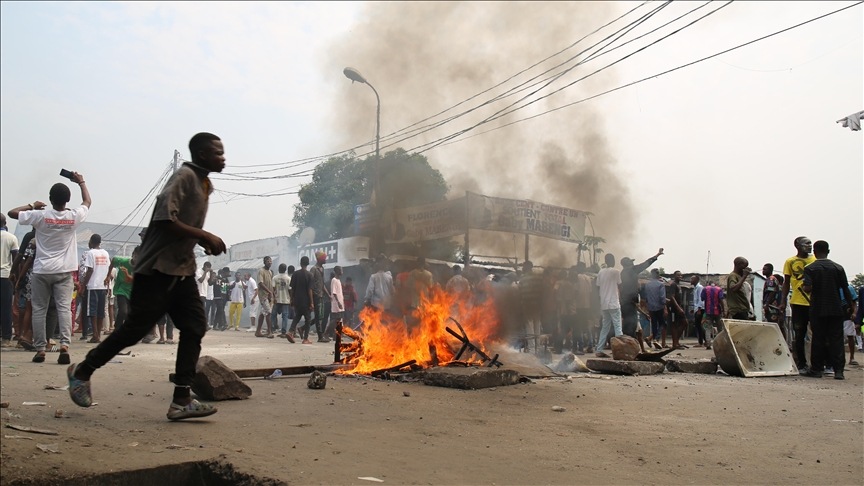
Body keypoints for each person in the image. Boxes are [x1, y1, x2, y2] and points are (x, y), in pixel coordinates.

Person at [66, 132, 227, 420]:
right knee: (134, 330)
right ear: (202, 155)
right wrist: (203, 235)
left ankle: (181, 399)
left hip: (182, 270)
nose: (223, 158)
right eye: (218, 153)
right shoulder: (184, 177)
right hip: (156, 270)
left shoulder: (204, 183)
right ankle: (82, 371)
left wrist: (198, 240)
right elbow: (165, 219)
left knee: (194, 327)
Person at [8, 171, 91, 364]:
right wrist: (81, 182)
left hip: (42, 270)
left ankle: (40, 349)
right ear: (67, 200)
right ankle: (64, 346)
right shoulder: (73, 216)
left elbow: (12, 213)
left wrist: (32, 206)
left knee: (39, 309)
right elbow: (87, 202)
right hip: (64, 272)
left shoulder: (40, 216)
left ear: (50, 199)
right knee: (64, 309)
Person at [800, 240, 855, 380]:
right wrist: (851, 306)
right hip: (836, 308)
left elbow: (807, 288)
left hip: (817, 308)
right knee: (836, 339)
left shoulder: (810, 268)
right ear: (828, 251)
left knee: (818, 338)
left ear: (814, 252)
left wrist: (804, 286)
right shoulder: (838, 268)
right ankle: (839, 371)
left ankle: (816, 370)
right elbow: (845, 288)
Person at [780, 236, 816, 371]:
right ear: (797, 245)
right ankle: (801, 363)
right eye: (806, 243)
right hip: (798, 302)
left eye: (810, 243)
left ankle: (817, 363)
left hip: (814, 302)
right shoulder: (790, 261)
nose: (809, 246)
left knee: (817, 333)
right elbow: (786, 282)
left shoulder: (815, 260)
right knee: (799, 334)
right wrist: (783, 301)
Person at [619, 248, 663, 338]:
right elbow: (645, 264)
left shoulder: (623, 273)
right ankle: (629, 342)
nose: (633, 263)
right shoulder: (631, 270)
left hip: (625, 302)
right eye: (631, 262)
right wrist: (657, 255)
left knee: (627, 324)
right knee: (631, 325)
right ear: (627, 264)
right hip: (630, 302)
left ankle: (627, 341)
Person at [80, 234, 110, 343]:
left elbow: (90, 270)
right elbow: (108, 269)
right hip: (102, 286)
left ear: (91, 241)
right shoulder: (105, 253)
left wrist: (83, 286)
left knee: (92, 311)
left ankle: (95, 335)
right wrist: (107, 284)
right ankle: (98, 336)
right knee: (100, 311)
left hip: (93, 286)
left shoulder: (91, 253)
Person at [594, 254, 622, 355]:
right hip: (614, 303)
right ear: (613, 261)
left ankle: (599, 349)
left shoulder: (600, 272)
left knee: (604, 328)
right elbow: (619, 284)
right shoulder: (616, 271)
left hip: (604, 304)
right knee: (618, 327)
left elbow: (598, 286)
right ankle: (620, 350)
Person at [106, 246, 136, 332]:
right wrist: (108, 275)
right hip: (121, 289)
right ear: (133, 255)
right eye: (136, 256)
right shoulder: (124, 261)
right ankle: (117, 328)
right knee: (123, 311)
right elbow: (113, 260)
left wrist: (126, 274)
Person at [0, 213, 19, 347]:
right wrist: (15, 276)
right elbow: (15, 258)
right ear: (5, 223)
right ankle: (6, 338)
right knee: (6, 308)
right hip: (5, 276)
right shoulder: (11, 237)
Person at [518, 260, 544, 353]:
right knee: (537, 325)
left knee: (529, 326)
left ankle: (532, 348)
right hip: (537, 305)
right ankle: (538, 346)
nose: (522, 268)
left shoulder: (523, 278)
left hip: (528, 304)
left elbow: (520, 292)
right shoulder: (537, 278)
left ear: (526, 267)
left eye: (523, 266)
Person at [289, 256, 314, 344]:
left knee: (297, 316)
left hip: (297, 300)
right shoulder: (310, 275)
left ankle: (290, 331)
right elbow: (310, 290)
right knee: (308, 319)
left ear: (300, 263)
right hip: (306, 301)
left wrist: (291, 299)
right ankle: (305, 339)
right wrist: (311, 302)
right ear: (308, 264)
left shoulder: (295, 274)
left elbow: (292, 289)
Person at [406, 257, 434, 333]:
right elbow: (431, 287)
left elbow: (408, 286)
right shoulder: (428, 274)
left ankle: (414, 337)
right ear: (424, 264)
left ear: (416, 263)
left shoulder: (412, 274)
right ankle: (422, 336)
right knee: (424, 322)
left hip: (414, 303)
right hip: (425, 303)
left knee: (414, 322)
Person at [642, 269, 667, 348]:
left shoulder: (647, 285)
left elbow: (646, 297)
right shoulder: (661, 284)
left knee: (654, 324)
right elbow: (662, 298)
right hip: (659, 307)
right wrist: (665, 307)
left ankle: (654, 340)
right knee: (662, 324)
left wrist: (647, 306)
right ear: (657, 274)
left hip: (651, 307)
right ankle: (656, 339)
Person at [310, 251, 330, 342]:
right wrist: (311, 298)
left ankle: (302, 328)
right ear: (319, 259)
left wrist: (328, 295)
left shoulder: (322, 269)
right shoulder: (313, 269)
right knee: (318, 316)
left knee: (320, 316)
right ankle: (320, 337)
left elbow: (322, 284)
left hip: (321, 295)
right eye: (324, 258)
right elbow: (310, 284)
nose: (325, 260)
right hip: (315, 295)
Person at [701, 280, 725, 349]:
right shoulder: (719, 289)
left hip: (708, 312)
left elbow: (702, 299)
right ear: (715, 284)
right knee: (720, 328)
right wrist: (723, 310)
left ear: (708, 284)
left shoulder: (705, 289)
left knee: (708, 328)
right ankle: (720, 344)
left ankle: (708, 344)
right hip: (718, 311)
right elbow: (721, 300)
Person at [255, 256, 275, 338]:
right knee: (268, 312)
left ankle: (258, 331)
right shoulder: (261, 271)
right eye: (268, 261)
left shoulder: (270, 272)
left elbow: (270, 284)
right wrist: (269, 291)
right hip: (263, 295)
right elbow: (260, 283)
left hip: (268, 295)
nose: (270, 262)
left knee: (263, 313)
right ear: (264, 262)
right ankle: (269, 331)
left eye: (270, 261)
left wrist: (272, 294)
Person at [667, 270, 687, 349]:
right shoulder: (673, 284)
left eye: (681, 275)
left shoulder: (679, 285)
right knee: (674, 325)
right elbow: (672, 297)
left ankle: (677, 341)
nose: (680, 276)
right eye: (678, 275)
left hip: (679, 307)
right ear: (674, 276)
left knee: (684, 323)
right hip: (674, 308)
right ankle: (675, 344)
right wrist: (678, 307)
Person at [273, 263, 293, 338]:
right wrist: (291, 299)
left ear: (278, 269)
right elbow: (290, 290)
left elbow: (273, 289)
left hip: (277, 299)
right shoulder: (288, 278)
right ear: (285, 270)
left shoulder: (275, 278)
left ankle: (271, 329)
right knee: (285, 316)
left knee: (273, 314)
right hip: (286, 300)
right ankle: (283, 332)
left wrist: (274, 298)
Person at [325, 265, 345, 338]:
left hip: (340, 302)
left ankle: (336, 335)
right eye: (340, 270)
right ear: (337, 271)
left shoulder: (338, 280)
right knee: (336, 319)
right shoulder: (334, 280)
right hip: (336, 303)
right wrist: (338, 302)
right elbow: (334, 293)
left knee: (339, 319)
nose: (342, 271)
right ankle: (326, 333)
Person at [689, 274, 706, 346]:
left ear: (696, 280)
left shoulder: (699, 287)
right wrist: (694, 309)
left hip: (700, 309)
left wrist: (699, 309)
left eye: (692, 279)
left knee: (698, 325)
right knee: (698, 325)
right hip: (697, 308)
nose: (691, 280)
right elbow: (696, 300)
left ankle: (701, 342)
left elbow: (701, 299)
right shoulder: (695, 288)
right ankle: (705, 341)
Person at [197, 262, 213, 328]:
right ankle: (205, 325)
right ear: (205, 266)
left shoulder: (208, 273)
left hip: (204, 294)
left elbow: (210, 283)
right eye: (208, 268)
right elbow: (201, 280)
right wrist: (205, 272)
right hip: (199, 293)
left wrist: (211, 273)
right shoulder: (198, 271)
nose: (208, 269)